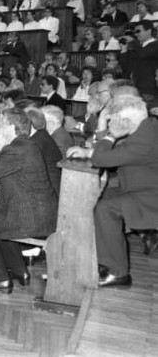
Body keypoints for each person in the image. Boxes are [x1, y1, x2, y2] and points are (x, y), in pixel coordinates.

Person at [68, 95, 158, 287]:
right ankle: (101, 257)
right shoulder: (147, 125)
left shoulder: (144, 140)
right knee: (96, 200)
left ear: (126, 122)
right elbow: (114, 152)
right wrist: (90, 150)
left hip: (150, 195)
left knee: (105, 209)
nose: (111, 123)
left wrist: (111, 135)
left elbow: (103, 160)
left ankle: (118, 273)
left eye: (113, 120)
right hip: (141, 188)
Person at [0, 108, 58, 293]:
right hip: (38, 213)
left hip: (31, 219)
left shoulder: (16, 149)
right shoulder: (27, 144)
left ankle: (1, 278)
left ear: (11, 127)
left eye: (1, 124)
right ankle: (20, 271)